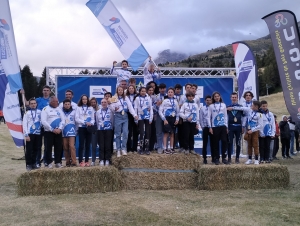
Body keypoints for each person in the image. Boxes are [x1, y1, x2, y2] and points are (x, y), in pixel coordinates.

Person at [231, 101, 263, 165]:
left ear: (256, 107)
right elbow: (241, 108)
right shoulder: (249, 110)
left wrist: (253, 130)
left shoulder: (260, 115)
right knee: (249, 145)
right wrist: (232, 108)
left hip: (254, 131)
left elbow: (260, 125)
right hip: (248, 130)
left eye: (253, 105)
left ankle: (256, 159)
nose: (251, 106)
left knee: (255, 145)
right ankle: (250, 159)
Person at [110, 86, 138, 157]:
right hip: (118, 116)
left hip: (125, 116)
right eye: (119, 90)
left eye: (121, 90)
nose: (120, 91)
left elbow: (130, 107)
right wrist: (114, 108)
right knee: (118, 134)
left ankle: (123, 149)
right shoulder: (114, 98)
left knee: (126, 133)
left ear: (123, 91)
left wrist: (134, 115)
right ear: (117, 91)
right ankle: (118, 150)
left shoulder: (126, 98)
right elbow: (111, 106)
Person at [41, 96, 65, 168]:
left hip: (58, 131)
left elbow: (63, 120)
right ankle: (48, 162)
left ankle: (58, 162)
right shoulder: (45, 109)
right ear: (51, 102)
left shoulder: (59, 110)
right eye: (55, 101)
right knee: (48, 147)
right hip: (49, 132)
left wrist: (60, 128)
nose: (57, 103)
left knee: (59, 147)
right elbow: (44, 121)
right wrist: (52, 129)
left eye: (57, 101)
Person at [207, 91, 228, 165]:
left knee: (224, 141)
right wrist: (210, 127)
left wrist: (226, 126)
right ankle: (216, 158)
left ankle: (224, 158)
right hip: (215, 126)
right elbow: (208, 117)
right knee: (215, 143)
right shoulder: (211, 106)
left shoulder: (223, 105)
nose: (217, 97)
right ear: (213, 98)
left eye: (218, 96)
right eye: (215, 96)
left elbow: (225, 116)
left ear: (220, 97)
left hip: (223, 126)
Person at [75, 94, 95, 167]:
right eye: (83, 99)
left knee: (87, 145)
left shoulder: (91, 108)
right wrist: (84, 122)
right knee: (81, 145)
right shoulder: (78, 108)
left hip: (88, 128)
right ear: (81, 100)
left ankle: (86, 161)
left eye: (86, 99)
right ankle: (80, 161)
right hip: (81, 128)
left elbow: (93, 119)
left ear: (87, 100)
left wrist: (91, 123)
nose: (84, 100)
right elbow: (76, 119)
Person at [22, 98, 42, 171]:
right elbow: (24, 124)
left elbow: (42, 121)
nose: (33, 105)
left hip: (38, 133)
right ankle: (28, 164)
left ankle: (34, 163)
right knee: (29, 150)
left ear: (36, 104)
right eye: (32, 104)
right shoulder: (27, 113)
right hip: (30, 134)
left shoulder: (40, 112)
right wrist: (26, 135)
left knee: (36, 149)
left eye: (34, 103)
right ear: (29, 105)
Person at [159, 87, 179, 154]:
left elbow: (178, 112)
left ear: (174, 93)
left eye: (172, 92)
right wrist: (164, 119)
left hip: (173, 118)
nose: (170, 93)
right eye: (169, 92)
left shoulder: (176, 101)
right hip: (166, 119)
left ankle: (171, 148)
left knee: (172, 134)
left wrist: (177, 119)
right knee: (166, 134)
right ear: (167, 93)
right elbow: (160, 111)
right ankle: (165, 149)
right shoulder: (164, 101)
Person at [134, 87, 153, 155]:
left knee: (147, 133)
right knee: (141, 132)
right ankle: (141, 148)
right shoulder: (137, 98)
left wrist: (151, 118)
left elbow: (151, 108)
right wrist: (135, 119)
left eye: (144, 91)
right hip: (140, 117)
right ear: (139, 92)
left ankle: (147, 148)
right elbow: (135, 108)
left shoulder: (148, 98)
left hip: (147, 117)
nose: (143, 92)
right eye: (142, 91)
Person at [226, 92, 244, 164]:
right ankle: (229, 158)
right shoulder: (227, 107)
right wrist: (226, 127)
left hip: (239, 127)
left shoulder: (241, 107)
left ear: (237, 98)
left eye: (235, 97)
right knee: (229, 143)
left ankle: (237, 158)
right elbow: (225, 118)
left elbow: (243, 118)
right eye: (232, 97)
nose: (234, 98)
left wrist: (243, 126)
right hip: (230, 126)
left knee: (238, 143)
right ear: (230, 98)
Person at [96, 98, 114, 166]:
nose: (103, 103)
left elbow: (112, 120)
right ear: (101, 103)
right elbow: (97, 121)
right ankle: (101, 159)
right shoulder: (98, 112)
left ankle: (107, 159)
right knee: (101, 145)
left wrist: (110, 128)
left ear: (107, 103)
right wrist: (99, 128)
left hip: (108, 129)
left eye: (105, 102)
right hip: (100, 130)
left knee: (108, 145)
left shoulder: (110, 111)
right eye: (102, 102)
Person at [62, 99, 77, 167]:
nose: (67, 105)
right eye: (66, 104)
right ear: (63, 105)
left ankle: (74, 162)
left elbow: (76, 121)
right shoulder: (61, 112)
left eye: (68, 104)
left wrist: (76, 130)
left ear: (70, 105)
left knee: (71, 146)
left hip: (71, 131)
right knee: (65, 147)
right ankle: (67, 161)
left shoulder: (74, 112)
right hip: (63, 132)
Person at [199, 95, 213, 164]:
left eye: (209, 100)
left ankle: (214, 157)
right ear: (205, 101)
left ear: (211, 101)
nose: (208, 101)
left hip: (212, 128)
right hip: (205, 127)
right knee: (204, 143)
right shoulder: (202, 108)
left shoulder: (213, 108)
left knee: (213, 143)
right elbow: (200, 118)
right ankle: (204, 158)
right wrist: (202, 127)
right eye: (207, 100)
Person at [155, 83, 167, 154]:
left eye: (163, 88)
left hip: (167, 116)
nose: (162, 90)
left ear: (165, 89)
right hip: (159, 116)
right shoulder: (156, 96)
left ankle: (165, 147)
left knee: (166, 132)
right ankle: (159, 147)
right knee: (159, 132)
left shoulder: (168, 96)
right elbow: (153, 107)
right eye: (161, 88)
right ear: (159, 89)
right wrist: (157, 105)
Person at [126, 85, 139, 153]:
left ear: (134, 89)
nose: (131, 89)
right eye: (129, 88)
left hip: (136, 114)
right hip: (128, 115)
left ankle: (135, 148)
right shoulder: (125, 97)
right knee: (129, 132)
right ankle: (128, 148)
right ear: (128, 89)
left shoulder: (137, 96)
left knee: (136, 132)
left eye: (132, 88)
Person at [147, 85, 157, 152]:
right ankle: (146, 146)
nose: (151, 91)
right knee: (147, 132)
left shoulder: (154, 97)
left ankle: (151, 147)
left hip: (153, 116)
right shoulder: (145, 97)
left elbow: (156, 107)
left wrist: (152, 107)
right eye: (149, 90)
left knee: (153, 131)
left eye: (152, 90)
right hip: (145, 117)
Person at [90, 97, 99, 166]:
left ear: (96, 103)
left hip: (100, 129)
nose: (93, 104)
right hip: (93, 130)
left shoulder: (99, 110)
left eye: (94, 102)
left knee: (102, 146)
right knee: (93, 146)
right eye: (92, 102)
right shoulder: (88, 110)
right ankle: (93, 161)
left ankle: (101, 159)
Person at [174, 84, 183, 150]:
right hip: (173, 115)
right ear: (175, 89)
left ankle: (178, 144)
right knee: (173, 131)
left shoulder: (182, 97)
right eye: (177, 89)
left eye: (179, 89)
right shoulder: (172, 96)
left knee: (179, 131)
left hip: (180, 116)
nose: (178, 90)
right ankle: (173, 144)